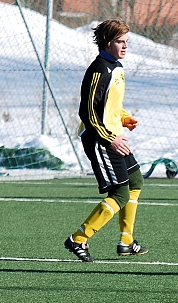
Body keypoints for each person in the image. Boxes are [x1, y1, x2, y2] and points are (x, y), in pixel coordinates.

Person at [64, 19, 149, 262]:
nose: (125, 46)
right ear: (107, 42)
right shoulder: (99, 69)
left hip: (113, 136)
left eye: (127, 42)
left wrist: (124, 118)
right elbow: (88, 112)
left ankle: (126, 241)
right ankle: (78, 239)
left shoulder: (116, 66)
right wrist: (109, 139)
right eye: (120, 42)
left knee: (135, 181)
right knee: (120, 193)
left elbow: (109, 106)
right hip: (99, 139)